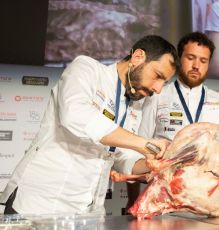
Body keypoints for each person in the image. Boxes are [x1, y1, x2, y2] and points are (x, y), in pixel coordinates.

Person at [0, 35, 180, 215]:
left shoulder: (135, 104)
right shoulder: (87, 69)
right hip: (38, 204)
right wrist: (143, 143)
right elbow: (75, 116)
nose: (158, 89)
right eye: (158, 76)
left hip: (85, 213)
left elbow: (119, 157)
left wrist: (156, 162)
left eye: (164, 82)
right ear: (138, 57)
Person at [139, 31, 219, 142]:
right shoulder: (157, 95)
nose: (196, 66)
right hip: (166, 159)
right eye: (190, 58)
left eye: (203, 61)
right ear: (179, 59)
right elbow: (142, 140)